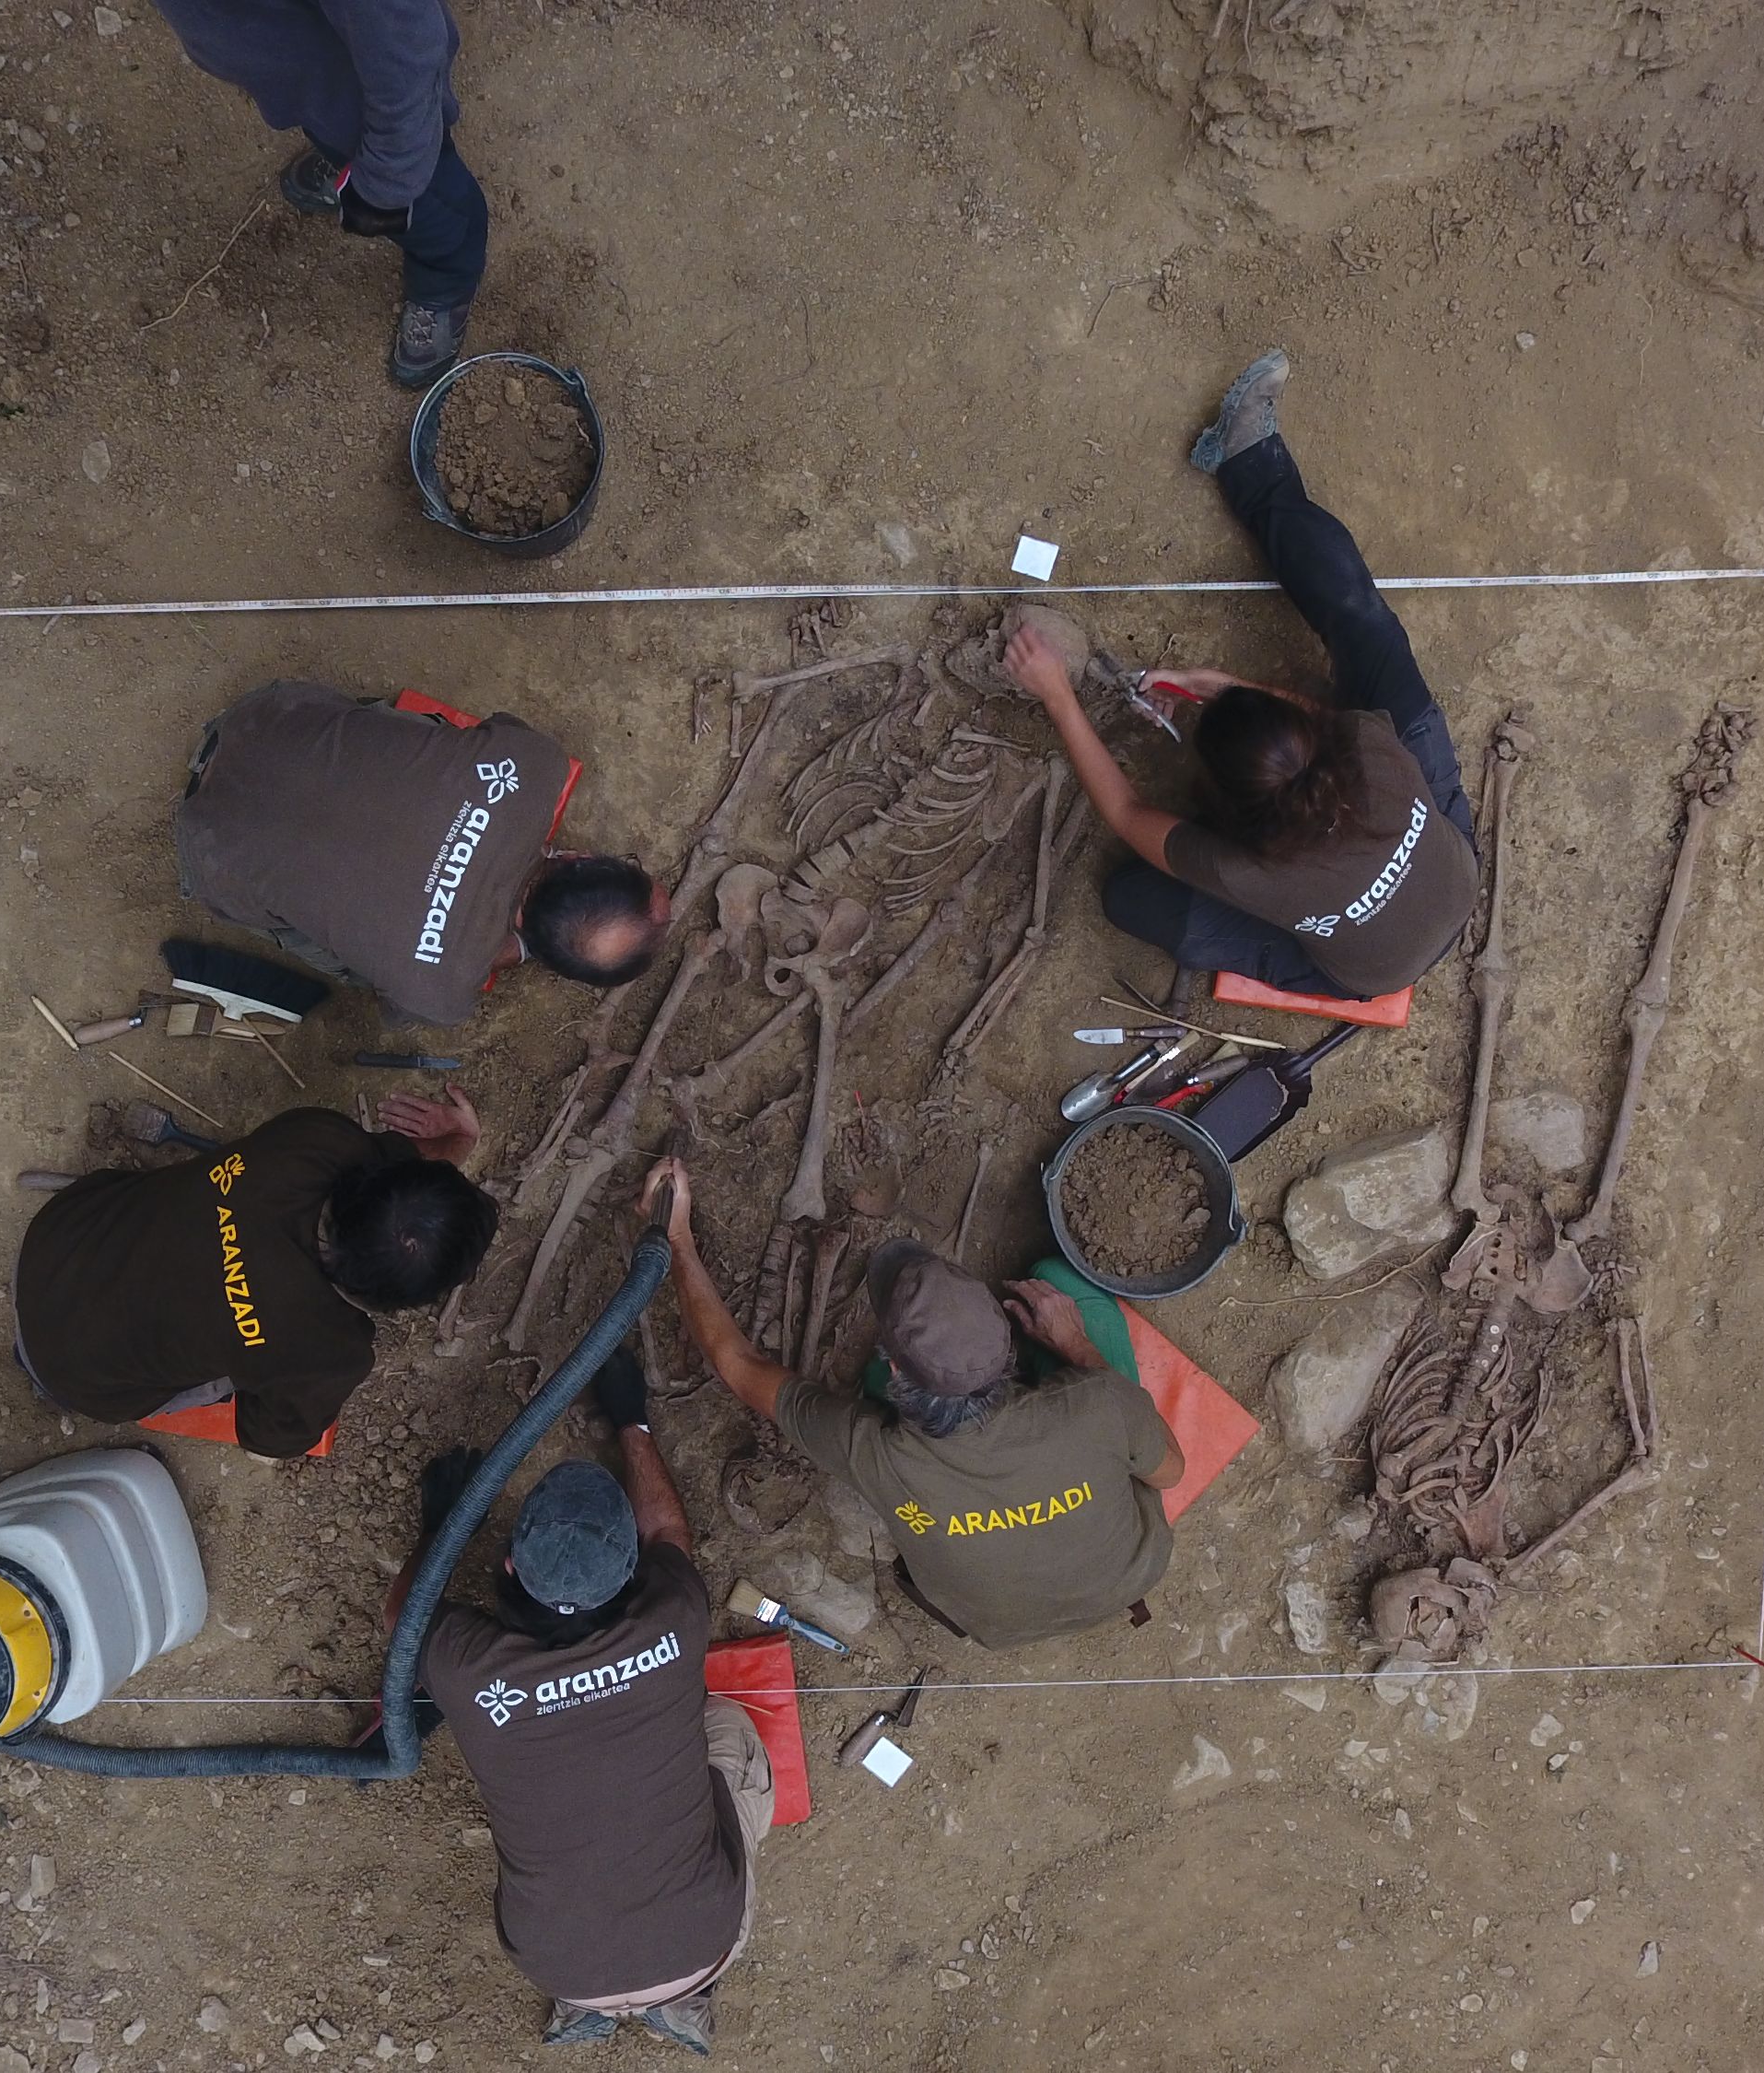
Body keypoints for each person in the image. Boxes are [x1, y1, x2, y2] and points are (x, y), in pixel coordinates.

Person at [1011, 348, 1483, 1001]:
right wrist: (1218, 687)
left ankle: (1248, 461)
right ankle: (1248, 461)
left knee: (1131, 895)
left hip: (1372, 974)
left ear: (1230, 810)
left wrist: (1057, 696)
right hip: (1452, 871)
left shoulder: (1245, 870)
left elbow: (1127, 813)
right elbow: (1322, 722)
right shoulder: (1373, 753)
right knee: (1367, 630)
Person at [636, 1161, 1183, 1648]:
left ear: (901, 1372)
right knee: (1058, 1279)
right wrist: (1076, 1345)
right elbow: (1170, 1474)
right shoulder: (1097, 1402)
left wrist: (676, 1236)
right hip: (1130, 1574)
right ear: (1006, 1345)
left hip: (1003, 1627)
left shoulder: (870, 1448)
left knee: (868, 1376)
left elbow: (736, 1365)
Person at [410, 1348, 769, 2052]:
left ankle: (585, 2005)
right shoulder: (672, 1619)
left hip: (559, 1966)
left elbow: (407, 1616)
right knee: (726, 1723)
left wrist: (439, 1529)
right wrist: (632, 1419)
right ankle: (681, 2000)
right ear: (631, 1571)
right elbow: (668, 1534)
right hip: (701, 1943)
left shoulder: (468, 1669)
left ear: (509, 1565)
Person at [11, 1092, 491, 1458]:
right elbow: (269, 1437)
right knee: (244, 1367)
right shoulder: (326, 1354)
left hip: (58, 1237)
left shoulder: (316, 1139)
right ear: (397, 1301)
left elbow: (394, 1172)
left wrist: (458, 1142)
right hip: (70, 1375)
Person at [172, 679, 665, 1027]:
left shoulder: (537, 766)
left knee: (440, 741)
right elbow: (396, 1006)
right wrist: (494, 949)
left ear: (579, 859)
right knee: (367, 965)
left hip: (269, 717)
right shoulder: (441, 993)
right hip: (207, 849)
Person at [142, 0, 486, 388]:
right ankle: (349, 161)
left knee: (431, 206)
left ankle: (448, 281)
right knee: (333, 130)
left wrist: (386, 179)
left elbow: (405, 44)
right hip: (305, 74)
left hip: (372, 96)